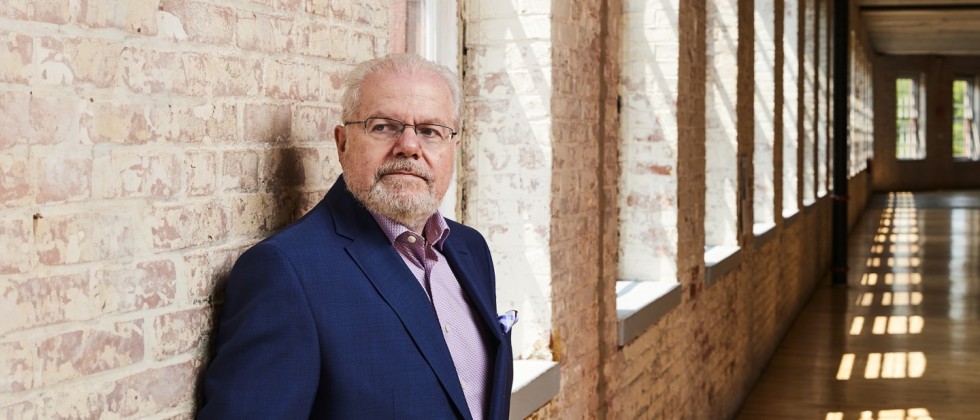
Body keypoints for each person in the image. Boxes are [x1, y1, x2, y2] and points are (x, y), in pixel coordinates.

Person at [197, 53, 514, 419]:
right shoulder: (287, 273)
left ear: (452, 149)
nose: (409, 146)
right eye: (384, 126)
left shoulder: (471, 250)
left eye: (430, 131)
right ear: (343, 143)